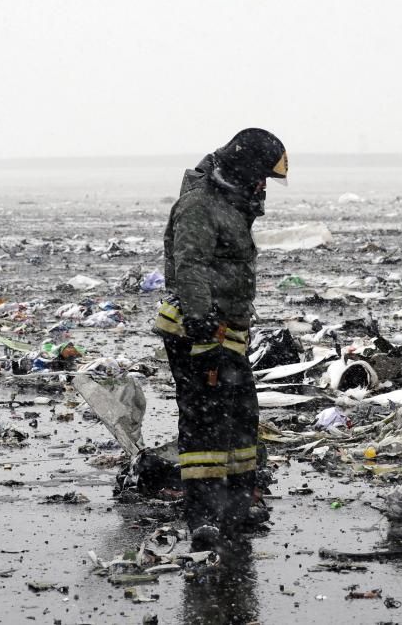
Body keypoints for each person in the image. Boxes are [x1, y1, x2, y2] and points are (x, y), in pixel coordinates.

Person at [154, 128, 287, 551]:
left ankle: (237, 505)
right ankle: (204, 517)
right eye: (261, 175)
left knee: (241, 417)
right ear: (244, 168)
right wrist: (203, 323)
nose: (264, 185)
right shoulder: (200, 205)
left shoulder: (231, 204)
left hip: (227, 330)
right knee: (205, 426)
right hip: (198, 332)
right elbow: (189, 265)